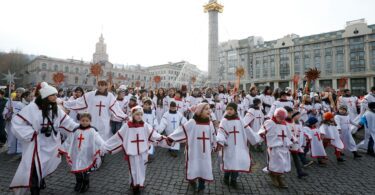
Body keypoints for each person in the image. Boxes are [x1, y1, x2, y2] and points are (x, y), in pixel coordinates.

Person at [10, 82, 78, 195]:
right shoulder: (32, 108)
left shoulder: (55, 108)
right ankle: (34, 190)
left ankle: (40, 181)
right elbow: (17, 122)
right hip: (35, 144)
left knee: (44, 166)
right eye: (53, 95)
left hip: (51, 144)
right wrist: (31, 134)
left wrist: (80, 127)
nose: (56, 97)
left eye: (56, 95)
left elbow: (67, 122)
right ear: (45, 96)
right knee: (33, 168)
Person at [102, 106, 166, 194]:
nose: (139, 116)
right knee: (134, 169)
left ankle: (140, 183)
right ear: (133, 115)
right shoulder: (127, 126)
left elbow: (154, 135)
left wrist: (164, 138)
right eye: (137, 115)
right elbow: (118, 137)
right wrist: (105, 146)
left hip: (143, 152)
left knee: (142, 168)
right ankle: (135, 185)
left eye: (140, 114)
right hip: (132, 152)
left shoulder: (145, 125)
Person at [167, 103, 216, 192]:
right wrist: (171, 138)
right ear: (200, 111)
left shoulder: (210, 123)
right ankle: (192, 180)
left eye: (209, 109)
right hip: (194, 150)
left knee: (204, 167)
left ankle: (202, 185)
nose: (209, 111)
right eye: (206, 109)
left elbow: (213, 136)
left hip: (205, 152)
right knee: (193, 166)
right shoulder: (192, 122)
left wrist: (214, 145)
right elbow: (182, 131)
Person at [63, 80, 127, 140]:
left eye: (102, 85)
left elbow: (116, 109)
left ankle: (101, 151)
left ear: (106, 86)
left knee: (103, 139)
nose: (100, 86)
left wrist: (124, 116)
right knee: (91, 137)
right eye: (99, 85)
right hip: (92, 120)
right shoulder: (90, 94)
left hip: (104, 122)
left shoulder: (110, 96)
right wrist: (65, 103)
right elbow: (78, 102)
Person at [216, 103, 261, 188]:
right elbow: (221, 132)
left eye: (231, 109)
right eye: (228, 109)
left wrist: (256, 138)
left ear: (235, 110)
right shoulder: (224, 121)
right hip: (229, 146)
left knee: (236, 162)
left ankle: (234, 180)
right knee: (229, 162)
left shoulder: (240, 120)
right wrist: (220, 140)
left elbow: (248, 130)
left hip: (239, 145)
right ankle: (226, 177)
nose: (229, 111)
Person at [58, 113, 104, 193]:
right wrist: (62, 149)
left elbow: (99, 140)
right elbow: (69, 141)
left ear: (90, 121)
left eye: (87, 121)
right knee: (77, 169)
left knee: (86, 170)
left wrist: (105, 147)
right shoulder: (76, 130)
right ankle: (79, 182)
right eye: (83, 120)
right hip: (77, 154)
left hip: (87, 155)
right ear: (79, 121)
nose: (85, 122)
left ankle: (86, 183)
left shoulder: (92, 131)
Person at [259, 108, 292, 188]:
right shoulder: (269, 122)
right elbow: (262, 131)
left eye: (282, 119)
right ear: (276, 116)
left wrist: (293, 140)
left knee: (283, 164)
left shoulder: (285, 124)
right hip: (273, 147)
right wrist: (262, 136)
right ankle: (273, 176)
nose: (281, 120)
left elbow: (289, 134)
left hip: (283, 147)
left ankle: (279, 178)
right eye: (279, 118)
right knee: (275, 163)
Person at [285, 108, 308, 178]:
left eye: (291, 113)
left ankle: (299, 171)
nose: (291, 114)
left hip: (293, 141)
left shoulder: (292, 121)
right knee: (283, 158)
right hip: (285, 142)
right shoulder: (283, 121)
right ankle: (277, 172)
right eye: (290, 113)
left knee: (295, 156)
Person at [2, 87, 25, 154]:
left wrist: (15, 110)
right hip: (11, 120)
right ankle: (11, 148)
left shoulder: (24, 101)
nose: (18, 93)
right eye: (17, 92)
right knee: (11, 135)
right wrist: (7, 113)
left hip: (20, 121)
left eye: (20, 92)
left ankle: (20, 150)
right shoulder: (11, 100)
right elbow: (6, 108)